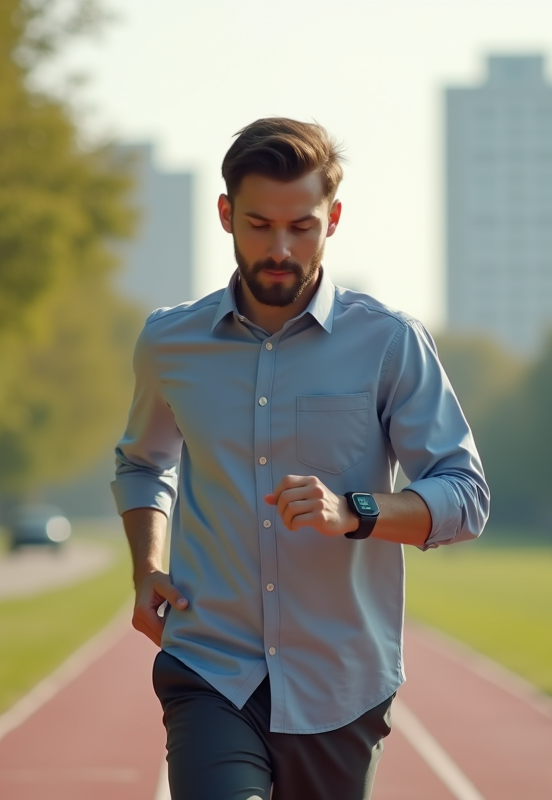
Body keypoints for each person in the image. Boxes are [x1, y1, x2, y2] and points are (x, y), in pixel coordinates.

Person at [111, 117, 489, 800]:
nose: (279, 248)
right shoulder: (170, 343)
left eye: (302, 227)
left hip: (340, 683)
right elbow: (142, 461)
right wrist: (146, 568)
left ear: (333, 219)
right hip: (209, 665)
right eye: (258, 225)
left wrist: (354, 511)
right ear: (225, 214)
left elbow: (465, 498)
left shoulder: (390, 343)